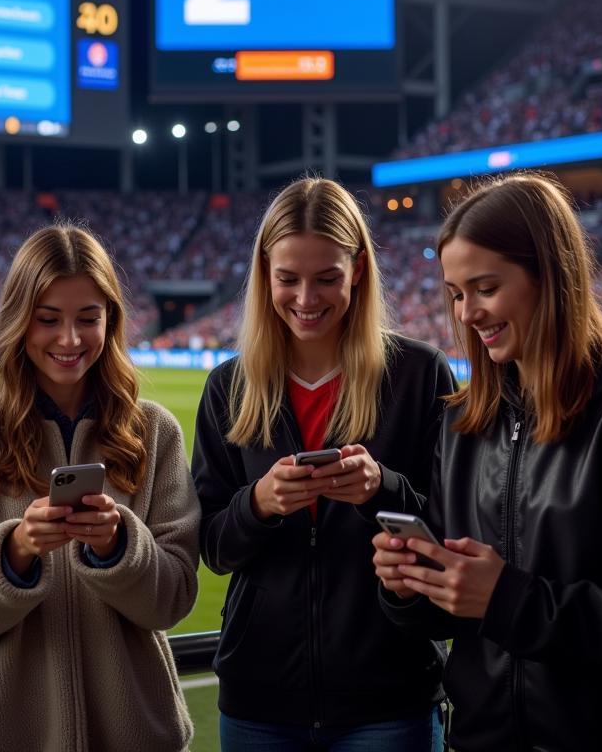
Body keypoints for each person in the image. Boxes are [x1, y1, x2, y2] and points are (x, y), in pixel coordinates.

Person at [372, 172, 602, 750]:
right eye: (456, 294)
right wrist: (409, 587)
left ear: (550, 277)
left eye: (484, 288)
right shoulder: (464, 420)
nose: (465, 314)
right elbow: (453, 618)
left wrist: (507, 599)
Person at [191, 176, 454, 751]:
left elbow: (453, 533)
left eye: (327, 278)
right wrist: (258, 505)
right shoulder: (228, 386)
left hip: (389, 696)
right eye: (288, 279)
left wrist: (381, 489)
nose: (306, 300)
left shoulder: (418, 374)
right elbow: (211, 546)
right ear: (265, 274)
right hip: (260, 697)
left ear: (357, 270)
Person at [0, 223, 199, 752]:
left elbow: (174, 598)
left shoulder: (156, 431)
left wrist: (117, 546)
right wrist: (16, 550)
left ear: (111, 321)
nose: (70, 340)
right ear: (18, 321)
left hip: (138, 735)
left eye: (88, 319)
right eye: (48, 319)